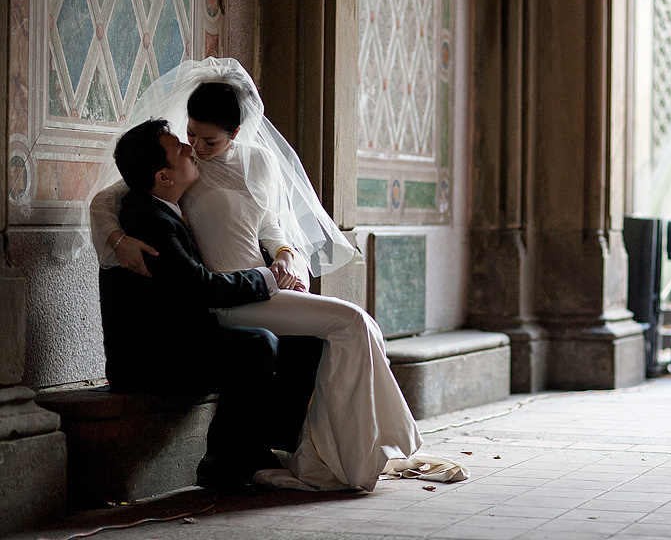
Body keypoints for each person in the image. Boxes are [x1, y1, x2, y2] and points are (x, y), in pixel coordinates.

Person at [89, 58, 424, 492]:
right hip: (231, 297)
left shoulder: (260, 162)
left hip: (260, 287)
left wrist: (285, 253)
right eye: (190, 134)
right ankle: (365, 449)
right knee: (352, 322)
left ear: (236, 133)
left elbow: (269, 224)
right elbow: (106, 199)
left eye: (208, 139)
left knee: (342, 331)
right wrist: (117, 239)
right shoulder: (182, 167)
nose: (196, 146)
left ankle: (333, 448)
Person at [100, 119, 322, 490]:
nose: (191, 149)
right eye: (179, 149)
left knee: (304, 337)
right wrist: (267, 278)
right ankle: (224, 458)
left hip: (183, 336)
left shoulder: (162, 204)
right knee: (257, 344)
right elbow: (201, 287)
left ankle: (268, 447)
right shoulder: (147, 219)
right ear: (164, 177)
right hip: (150, 359)